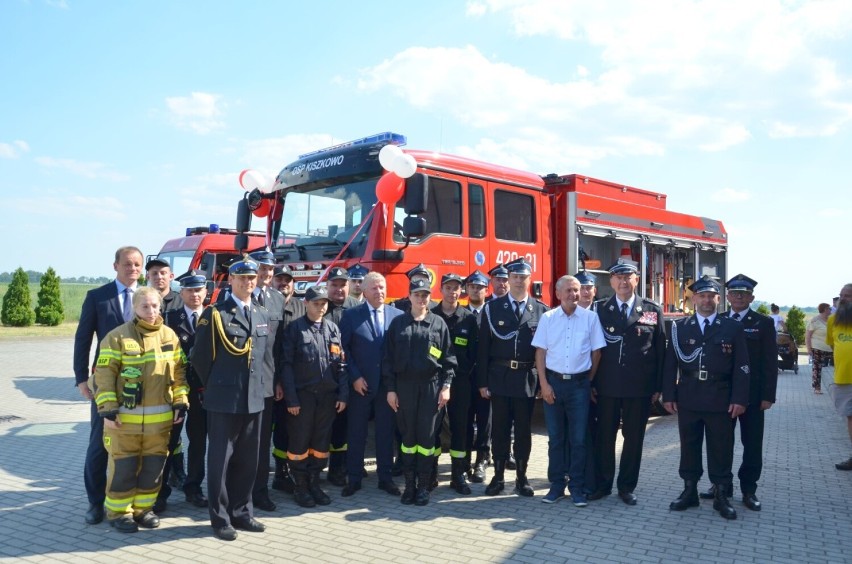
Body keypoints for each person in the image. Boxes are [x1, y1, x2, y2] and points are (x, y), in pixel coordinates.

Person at [92, 286, 189, 533]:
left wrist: (180, 401)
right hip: (124, 422)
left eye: (155, 306)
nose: (150, 311)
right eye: (144, 306)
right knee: (124, 468)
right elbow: (103, 376)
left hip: (159, 423)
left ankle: (143, 510)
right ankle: (118, 512)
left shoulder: (169, 337)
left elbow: (179, 372)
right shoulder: (116, 337)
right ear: (134, 308)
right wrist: (108, 408)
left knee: (153, 469)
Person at [191, 257, 269, 541]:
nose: (248, 283)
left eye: (252, 278)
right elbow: (200, 359)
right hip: (224, 399)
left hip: (254, 398)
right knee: (220, 461)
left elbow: (264, 359)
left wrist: (264, 390)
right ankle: (220, 518)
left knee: (249, 460)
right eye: (242, 278)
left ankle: (242, 512)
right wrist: (214, 387)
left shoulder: (260, 314)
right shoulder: (216, 314)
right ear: (231, 281)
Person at [663, 275, 749, 520]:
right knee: (689, 446)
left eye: (711, 296)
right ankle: (689, 491)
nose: (707, 300)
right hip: (689, 396)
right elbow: (670, 365)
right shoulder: (680, 327)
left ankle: (721, 494)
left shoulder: (732, 327)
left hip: (720, 398)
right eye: (702, 295)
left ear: (718, 299)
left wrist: (740, 399)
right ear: (694, 299)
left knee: (721, 448)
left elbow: (742, 366)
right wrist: (669, 394)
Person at [74, 245, 144, 525]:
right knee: (99, 444)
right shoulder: (98, 297)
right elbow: (83, 339)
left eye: (137, 264)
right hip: (105, 385)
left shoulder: (148, 297)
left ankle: (134, 502)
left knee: (137, 443)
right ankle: (95, 503)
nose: (133, 269)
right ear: (115, 266)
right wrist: (81, 377)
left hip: (143, 385)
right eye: (127, 264)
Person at [698, 274, 777, 512]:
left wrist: (767, 396)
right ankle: (721, 485)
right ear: (727, 296)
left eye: (743, 293)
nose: (739, 297)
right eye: (734, 293)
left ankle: (749, 489)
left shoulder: (762, 323)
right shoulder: (719, 320)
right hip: (722, 395)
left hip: (752, 396)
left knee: (751, 443)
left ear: (752, 297)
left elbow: (769, 362)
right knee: (720, 443)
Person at [589, 259, 665, 506]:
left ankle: (626, 486)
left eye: (627, 277)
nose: (623, 281)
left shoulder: (652, 310)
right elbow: (590, 350)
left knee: (634, 439)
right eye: (618, 277)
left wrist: (658, 387)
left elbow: (659, 351)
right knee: (604, 437)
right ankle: (602, 484)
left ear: (636, 279)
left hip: (638, 388)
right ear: (611, 281)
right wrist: (590, 382)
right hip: (606, 387)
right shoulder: (599, 310)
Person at [477, 258, 549, 497]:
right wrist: (483, 382)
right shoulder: (492, 308)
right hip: (500, 377)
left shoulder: (541, 310)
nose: (518, 281)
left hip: (527, 378)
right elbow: (483, 349)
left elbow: (545, 352)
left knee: (523, 432)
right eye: (515, 276)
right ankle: (497, 477)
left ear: (530, 280)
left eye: (523, 277)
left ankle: (521, 477)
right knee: (499, 429)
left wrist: (542, 381)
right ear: (508, 279)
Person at [533, 275, 606, 506]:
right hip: (553, 384)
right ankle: (556, 486)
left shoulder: (590, 318)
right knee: (555, 439)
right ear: (557, 293)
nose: (574, 294)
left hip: (579, 387)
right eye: (569, 290)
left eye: (577, 290)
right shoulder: (548, 318)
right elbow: (540, 353)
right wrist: (544, 385)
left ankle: (576, 487)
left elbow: (597, 353)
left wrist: (587, 381)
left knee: (578, 439)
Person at [385, 278, 457, 505]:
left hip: (431, 387)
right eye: (417, 294)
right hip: (404, 387)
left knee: (426, 439)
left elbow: (449, 360)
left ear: (429, 297)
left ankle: (424, 487)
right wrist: (390, 390)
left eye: (425, 294)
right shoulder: (398, 324)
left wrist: (446, 387)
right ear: (409, 296)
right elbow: (387, 360)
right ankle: (409, 485)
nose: (421, 298)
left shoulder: (438, 324)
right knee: (407, 438)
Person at [279, 286, 348, 507]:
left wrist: (343, 395)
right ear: (306, 304)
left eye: (324, 304)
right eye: (316, 303)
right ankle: (300, 486)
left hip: (327, 398)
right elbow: (286, 366)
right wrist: (291, 399)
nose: (321, 307)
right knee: (299, 443)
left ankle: (314, 483)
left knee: (320, 443)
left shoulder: (332, 329)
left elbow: (342, 365)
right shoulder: (295, 329)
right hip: (303, 398)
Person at [339, 272, 403, 497]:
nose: (380, 292)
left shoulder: (398, 315)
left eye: (382, 287)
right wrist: (354, 377)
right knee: (356, 432)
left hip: (387, 388)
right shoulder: (350, 316)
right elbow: (343, 349)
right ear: (364, 291)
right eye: (374, 288)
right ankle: (354, 478)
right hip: (361, 386)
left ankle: (385, 478)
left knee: (385, 434)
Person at [161, 272, 209, 511]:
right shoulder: (168, 318)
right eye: (190, 290)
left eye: (199, 290)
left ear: (206, 292)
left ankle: (194, 487)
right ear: (182, 293)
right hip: (174, 391)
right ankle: (161, 492)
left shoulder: (214, 317)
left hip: (201, 391)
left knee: (199, 442)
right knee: (168, 441)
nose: (195, 295)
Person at [147, 257, 188, 512]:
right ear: (148, 277)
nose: (159, 277)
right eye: (154, 273)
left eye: (163, 273)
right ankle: (159, 489)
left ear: (171, 276)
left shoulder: (181, 301)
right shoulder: (147, 303)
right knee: (160, 438)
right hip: (155, 382)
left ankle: (179, 474)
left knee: (176, 433)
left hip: (180, 377)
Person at [432, 273, 478, 494]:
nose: (452, 292)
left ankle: (458, 474)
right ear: (441, 289)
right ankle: (430, 473)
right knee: (433, 428)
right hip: (434, 382)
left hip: (460, 383)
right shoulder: (431, 316)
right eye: (448, 288)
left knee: (460, 428)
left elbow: (474, 353)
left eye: (456, 288)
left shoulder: (468, 318)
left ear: (461, 291)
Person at [248, 250, 285, 512]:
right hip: (244, 380)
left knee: (262, 441)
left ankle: (260, 491)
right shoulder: (239, 296)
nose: (266, 274)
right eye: (262, 269)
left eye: (270, 270)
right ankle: (240, 491)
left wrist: (279, 381)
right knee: (243, 441)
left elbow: (279, 346)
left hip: (269, 381)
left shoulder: (277, 298)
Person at [271, 264, 306, 494]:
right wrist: (276, 382)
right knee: (276, 429)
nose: (283, 283)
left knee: (292, 428)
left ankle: (289, 472)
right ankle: (278, 472)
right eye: (279, 279)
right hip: (271, 378)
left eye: (288, 280)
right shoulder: (266, 304)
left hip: (295, 380)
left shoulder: (302, 307)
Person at [324, 266, 359, 486]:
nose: (338, 289)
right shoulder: (319, 306)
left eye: (342, 284)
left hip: (350, 375)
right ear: (327, 286)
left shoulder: (357, 308)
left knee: (344, 426)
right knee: (322, 424)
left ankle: (339, 468)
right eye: (334, 285)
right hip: (324, 377)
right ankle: (314, 469)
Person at [463, 269, 491, 483]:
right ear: (467, 289)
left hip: (485, 380)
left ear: (486, 289)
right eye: (472, 286)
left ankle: (481, 460)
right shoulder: (460, 314)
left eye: (480, 287)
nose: (476, 289)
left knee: (484, 422)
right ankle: (463, 462)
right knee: (463, 421)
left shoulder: (492, 314)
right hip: (464, 379)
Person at [826, 283, 852, 471]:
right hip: (843, 378)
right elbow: (833, 345)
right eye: (841, 295)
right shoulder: (832, 320)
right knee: (850, 419)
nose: (843, 299)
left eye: (848, 296)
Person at [806, 303, 833, 394]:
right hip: (817, 347)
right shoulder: (814, 321)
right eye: (829, 308)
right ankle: (817, 388)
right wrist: (809, 349)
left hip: (831, 348)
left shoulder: (832, 320)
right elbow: (808, 336)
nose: (831, 310)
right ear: (825, 309)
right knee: (817, 368)